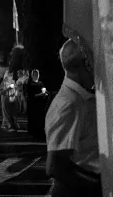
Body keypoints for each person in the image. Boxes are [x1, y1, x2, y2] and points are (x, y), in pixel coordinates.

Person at [45, 39, 101, 196]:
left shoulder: (80, 98)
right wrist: (99, 187)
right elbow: (55, 167)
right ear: (86, 64)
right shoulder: (70, 103)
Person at [27, 69, 48, 139]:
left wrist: (45, 94)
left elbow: (45, 92)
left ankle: (41, 132)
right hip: (33, 105)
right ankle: (35, 134)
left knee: (41, 118)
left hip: (40, 104)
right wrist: (40, 94)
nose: (37, 76)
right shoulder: (30, 84)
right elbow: (31, 95)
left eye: (38, 74)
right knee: (34, 119)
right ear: (32, 75)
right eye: (35, 74)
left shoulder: (40, 83)